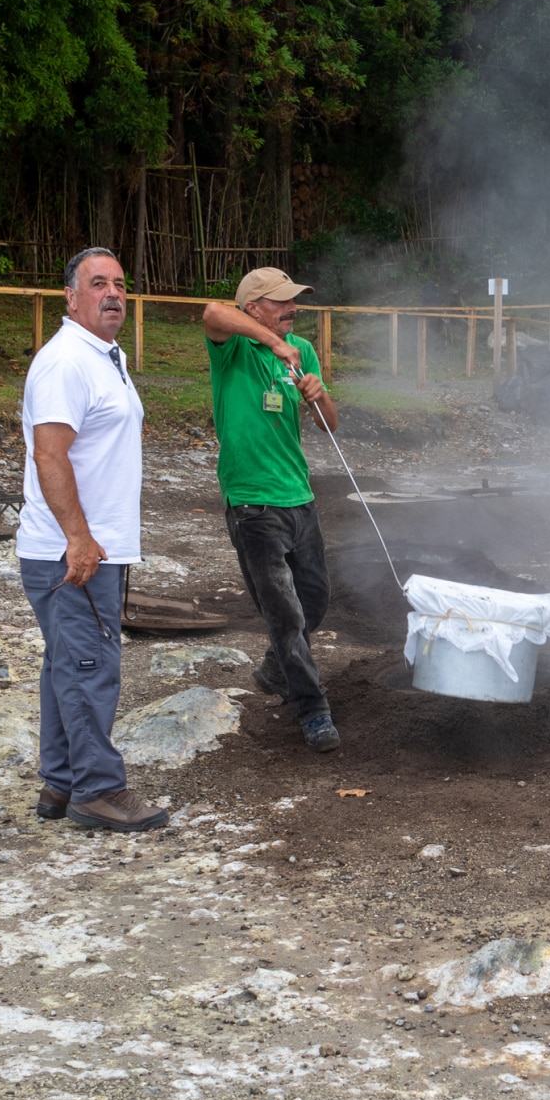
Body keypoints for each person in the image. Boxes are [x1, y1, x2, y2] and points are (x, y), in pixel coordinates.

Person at [17, 248, 167, 832]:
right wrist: (78, 538)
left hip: (93, 546)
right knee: (88, 666)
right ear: (71, 297)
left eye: (120, 285)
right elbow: (49, 453)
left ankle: (60, 783)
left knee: (66, 664)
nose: (112, 294)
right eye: (97, 284)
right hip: (73, 551)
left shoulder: (107, 356)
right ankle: (99, 792)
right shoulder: (65, 363)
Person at [202, 268, 342, 752]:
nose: (292, 310)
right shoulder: (233, 347)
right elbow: (212, 312)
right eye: (280, 302)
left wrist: (318, 394)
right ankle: (312, 709)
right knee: (284, 614)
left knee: (315, 601)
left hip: (298, 497)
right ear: (254, 309)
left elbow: (330, 425)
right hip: (252, 502)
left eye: (293, 301)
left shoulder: (302, 350)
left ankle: (272, 669)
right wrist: (274, 345)